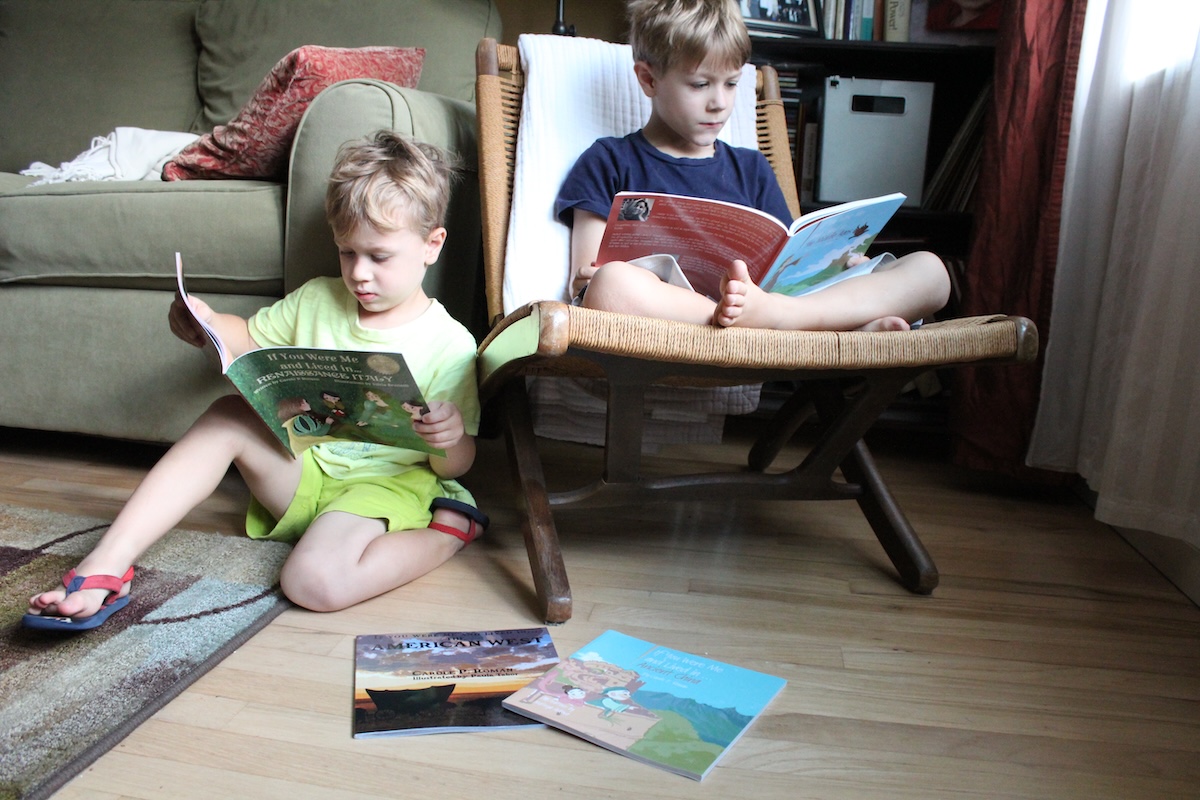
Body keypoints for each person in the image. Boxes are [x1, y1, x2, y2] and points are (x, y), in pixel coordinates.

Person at [24, 131, 485, 630]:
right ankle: (107, 563)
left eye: (379, 256)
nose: (359, 273)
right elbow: (247, 337)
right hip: (306, 469)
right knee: (227, 415)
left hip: (386, 488)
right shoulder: (317, 299)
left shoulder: (450, 343)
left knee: (312, 584)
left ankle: (448, 531)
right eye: (347, 252)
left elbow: (458, 463)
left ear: (431, 245)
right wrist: (205, 321)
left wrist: (449, 437)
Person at [558, 0, 951, 332]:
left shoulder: (750, 167)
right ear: (648, 79)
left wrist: (838, 266)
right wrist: (592, 277)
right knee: (612, 284)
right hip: (685, 318)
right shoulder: (608, 160)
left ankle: (787, 319)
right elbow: (590, 275)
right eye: (700, 85)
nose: (720, 103)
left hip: (774, 305)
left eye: (731, 84)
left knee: (931, 272)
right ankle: (827, 326)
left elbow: (788, 258)